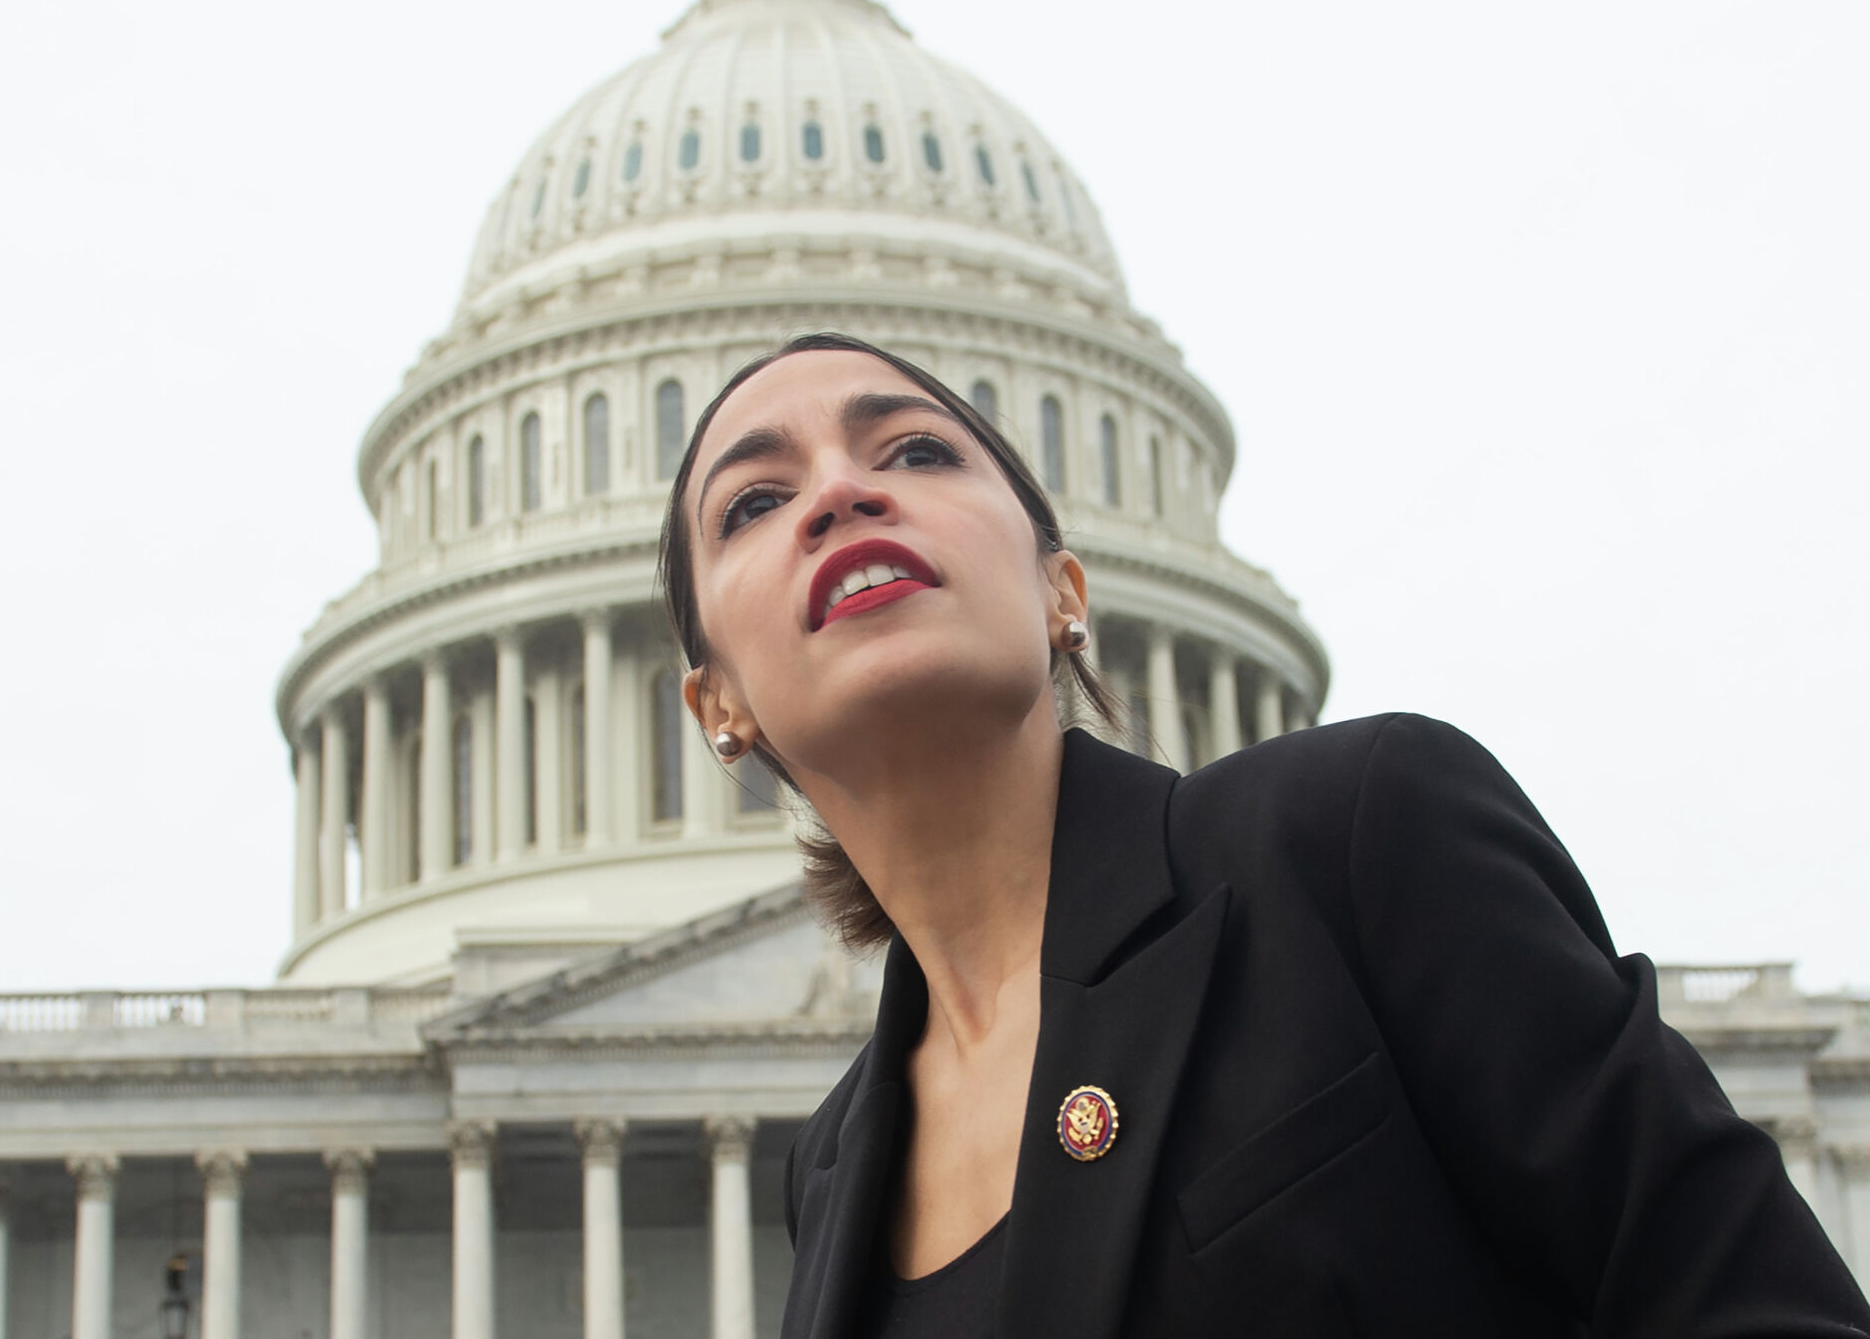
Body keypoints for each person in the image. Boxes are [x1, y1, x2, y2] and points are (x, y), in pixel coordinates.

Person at [657, 332, 1869, 1337]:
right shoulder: (826, 1171)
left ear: (1060, 592)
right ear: (719, 704)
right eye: (756, 500)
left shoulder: (1353, 835)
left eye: (916, 449)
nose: (838, 492)